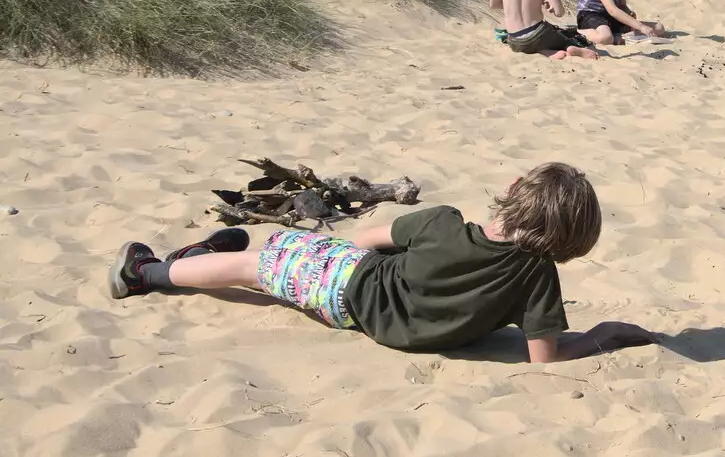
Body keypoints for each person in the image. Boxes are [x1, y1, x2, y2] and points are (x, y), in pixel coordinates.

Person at [106, 163, 656, 363]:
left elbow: (365, 240)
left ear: (512, 189)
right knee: (266, 263)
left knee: (262, 264)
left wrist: (331, 252)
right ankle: (203, 255)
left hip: (351, 290)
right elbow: (544, 355)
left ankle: (146, 274)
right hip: (375, 323)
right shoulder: (538, 275)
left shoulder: (441, 221)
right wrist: (600, 335)